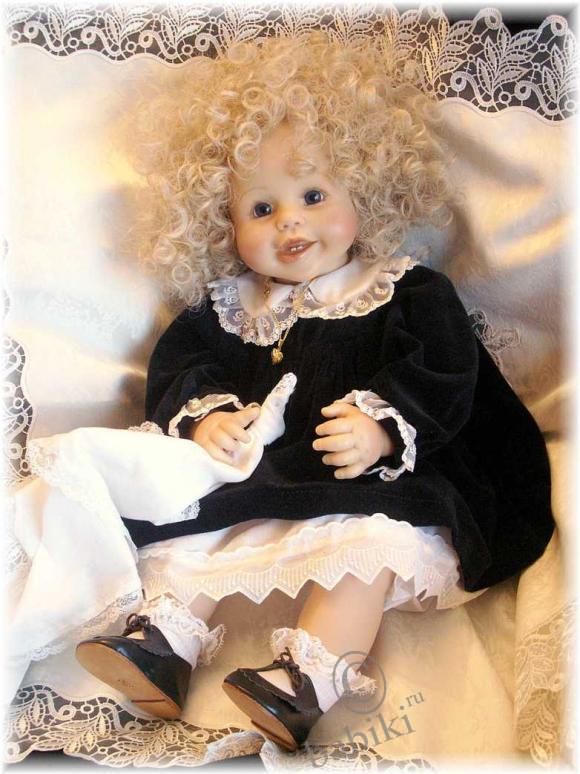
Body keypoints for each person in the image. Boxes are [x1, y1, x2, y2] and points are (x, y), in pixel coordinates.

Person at [75, 32, 554, 751]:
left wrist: (383, 425)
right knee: (192, 533)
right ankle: (163, 644)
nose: (289, 221)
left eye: (312, 195)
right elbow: (182, 370)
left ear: (364, 190)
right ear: (223, 224)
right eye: (260, 209)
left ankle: (307, 679)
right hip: (261, 479)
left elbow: (447, 371)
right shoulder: (229, 309)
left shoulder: (403, 291)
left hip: (372, 483)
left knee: (366, 546)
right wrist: (206, 420)